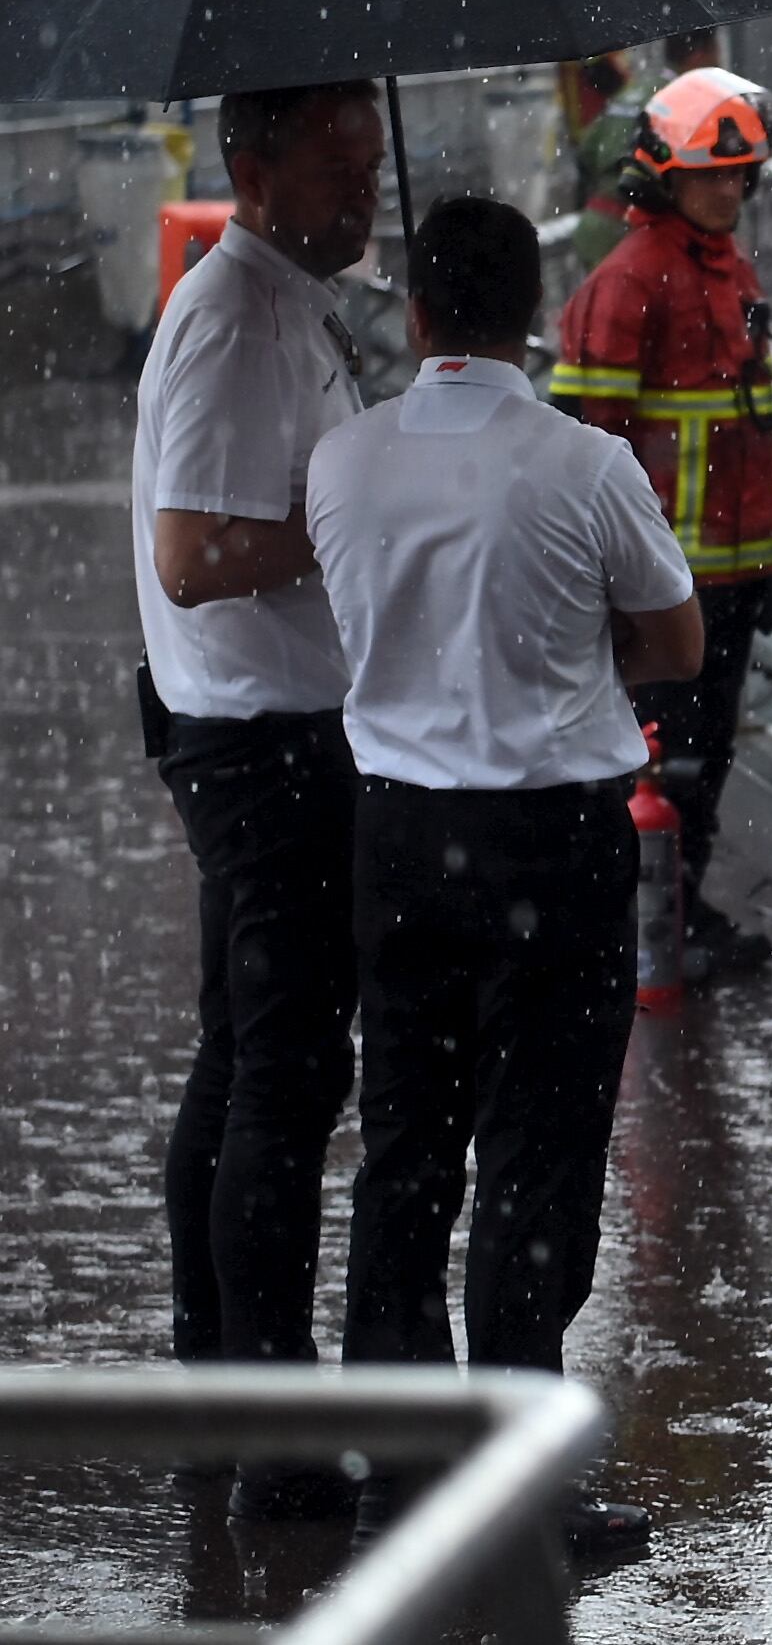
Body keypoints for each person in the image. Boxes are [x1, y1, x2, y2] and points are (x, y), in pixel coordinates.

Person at [310, 197, 695, 1554]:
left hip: (401, 838)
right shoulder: (586, 465)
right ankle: (519, 1482)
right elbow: (674, 639)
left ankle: (397, 1474)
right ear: (532, 308)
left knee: (408, 1147)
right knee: (538, 1159)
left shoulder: (343, 461)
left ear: (417, 311)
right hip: (553, 841)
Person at [133, 80, 384, 1517]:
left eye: (366, 164)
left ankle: (222, 1392)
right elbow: (190, 552)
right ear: (253, 162)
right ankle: (276, 1443)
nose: (360, 194)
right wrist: (349, 523)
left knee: (244, 1062)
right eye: (335, 167)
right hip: (261, 742)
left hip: (261, 726)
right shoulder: (236, 315)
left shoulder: (287, 296)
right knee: (281, 1080)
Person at [549, 67, 772, 983]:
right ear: (664, 177)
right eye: (711, 176)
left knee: (707, 757)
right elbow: (587, 448)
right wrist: (608, 577)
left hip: (727, 577)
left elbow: (752, 436)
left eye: (739, 175)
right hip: (658, 583)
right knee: (660, 759)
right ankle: (638, 924)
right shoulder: (627, 282)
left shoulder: (733, 275)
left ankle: (680, 911)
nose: (729, 189)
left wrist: (767, 563)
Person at [560, 57, 644, 273]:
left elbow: (586, 153)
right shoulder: (640, 100)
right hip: (620, 229)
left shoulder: (608, 113)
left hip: (594, 222)